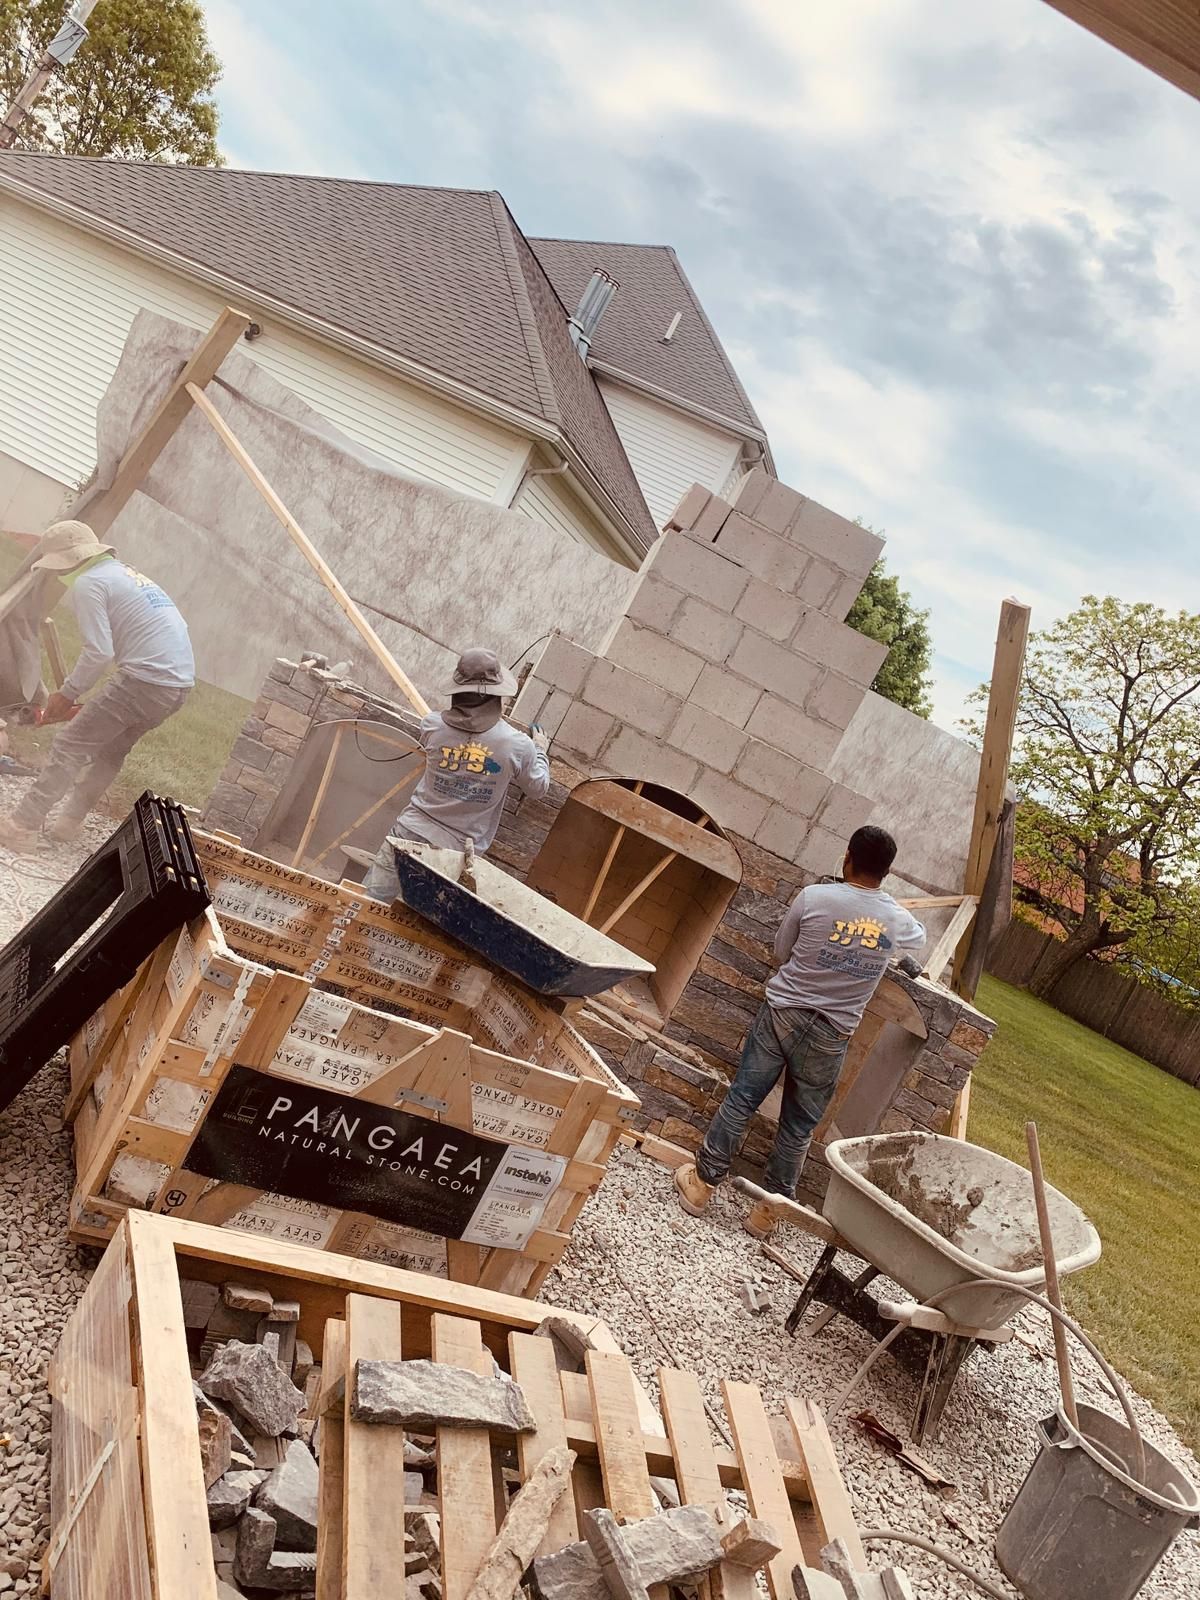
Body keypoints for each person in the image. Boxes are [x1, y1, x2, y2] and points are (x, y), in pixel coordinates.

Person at [675, 825, 926, 1234]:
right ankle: (768, 1213)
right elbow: (920, 936)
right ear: (887, 872)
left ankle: (702, 1185)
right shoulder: (895, 919)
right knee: (798, 1127)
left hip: (783, 1014)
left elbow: (780, 951)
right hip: (832, 1034)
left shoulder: (815, 898)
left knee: (742, 1099)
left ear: (848, 856)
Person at [0, 521, 194, 850]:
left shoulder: (89, 583)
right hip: (177, 687)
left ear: (65, 561)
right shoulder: (124, 574)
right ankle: (68, 822)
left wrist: (66, 695)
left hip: (145, 681)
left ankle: (21, 826)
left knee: (69, 746)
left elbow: (99, 652)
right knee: (110, 751)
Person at [363, 646, 550, 902]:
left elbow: (460, 732)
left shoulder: (432, 725)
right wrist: (539, 750)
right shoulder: (516, 745)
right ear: (496, 696)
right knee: (410, 924)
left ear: (458, 692)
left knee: (365, 905)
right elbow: (537, 788)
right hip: (452, 854)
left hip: (408, 832)